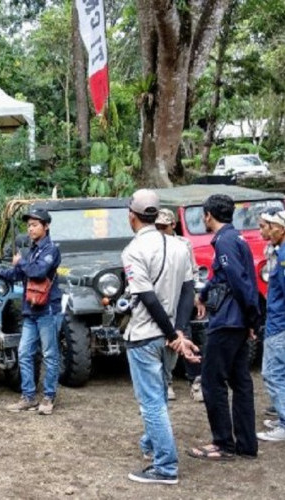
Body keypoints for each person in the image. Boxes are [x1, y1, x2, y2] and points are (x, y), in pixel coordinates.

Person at [121, 189, 199, 485]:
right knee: (160, 397)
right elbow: (189, 291)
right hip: (169, 337)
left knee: (151, 402)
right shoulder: (180, 246)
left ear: (132, 216)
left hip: (145, 334)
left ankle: (165, 467)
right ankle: (150, 446)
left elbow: (147, 298)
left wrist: (172, 333)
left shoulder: (133, 250)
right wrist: (178, 331)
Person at [189, 194, 260, 461]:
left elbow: (240, 281)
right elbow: (225, 277)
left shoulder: (226, 241)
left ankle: (223, 443)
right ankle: (246, 444)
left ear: (208, 215)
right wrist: (204, 294)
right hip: (238, 321)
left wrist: (253, 319)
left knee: (212, 381)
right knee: (241, 381)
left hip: (229, 322)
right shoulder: (235, 238)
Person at [0, 208, 63, 415]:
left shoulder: (51, 250)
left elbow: (38, 272)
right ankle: (28, 397)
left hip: (47, 310)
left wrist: (21, 262)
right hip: (30, 310)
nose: (30, 229)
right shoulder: (32, 250)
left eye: (35, 225)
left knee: (50, 354)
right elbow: (17, 274)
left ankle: (49, 397)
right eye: (29, 225)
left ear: (46, 226)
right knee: (24, 353)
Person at [155, 208, 202, 402]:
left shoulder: (184, 244)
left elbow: (193, 271)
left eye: (163, 227)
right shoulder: (153, 244)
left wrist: (196, 295)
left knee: (186, 335)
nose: (160, 230)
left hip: (181, 297)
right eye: (157, 227)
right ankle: (166, 382)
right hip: (160, 299)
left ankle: (196, 382)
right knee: (161, 340)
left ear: (173, 225)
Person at [256, 209, 285, 441]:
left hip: (280, 325)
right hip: (277, 321)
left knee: (272, 373)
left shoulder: (283, 257)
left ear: (280, 228)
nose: (264, 231)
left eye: (266, 226)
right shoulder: (278, 252)